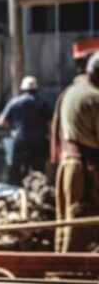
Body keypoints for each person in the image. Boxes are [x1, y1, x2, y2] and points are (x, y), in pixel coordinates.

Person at [51, 52, 99, 253]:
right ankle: (75, 274)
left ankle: (62, 270)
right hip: (85, 170)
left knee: (66, 222)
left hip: (67, 165)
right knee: (82, 222)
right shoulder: (94, 97)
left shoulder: (70, 91)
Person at [0, 76, 51, 186]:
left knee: (19, 171)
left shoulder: (15, 102)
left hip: (21, 140)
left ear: (22, 89)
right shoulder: (42, 103)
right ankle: (38, 194)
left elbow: (2, 121)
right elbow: (49, 124)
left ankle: (20, 194)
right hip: (39, 142)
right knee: (39, 172)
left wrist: (15, 126)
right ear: (36, 89)